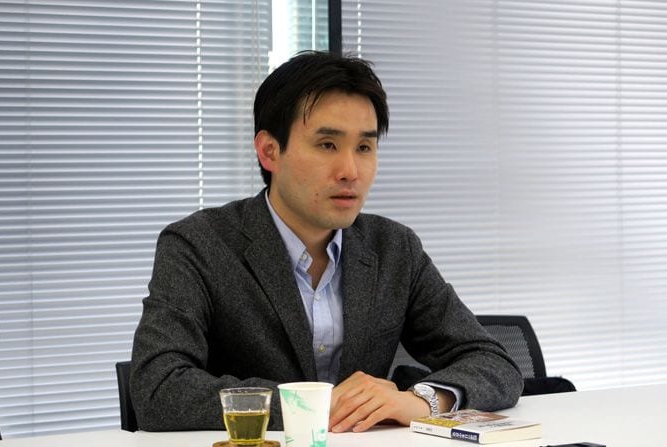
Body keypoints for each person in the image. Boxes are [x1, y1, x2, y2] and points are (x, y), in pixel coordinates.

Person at [130, 51, 523, 433]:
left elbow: (494, 362)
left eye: (364, 147)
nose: (350, 171)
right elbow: (158, 388)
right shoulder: (199, 245)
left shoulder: (394, 248)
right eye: (327, 145)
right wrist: (315, 405)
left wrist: (423, 400)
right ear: (269, 151)